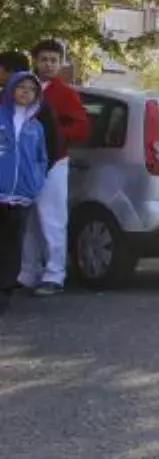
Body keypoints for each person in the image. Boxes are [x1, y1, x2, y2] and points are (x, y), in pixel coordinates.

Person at [20, 40, 89, 296]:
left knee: (52, 218)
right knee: (28, 221)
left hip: (54, 162)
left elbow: (81, 127)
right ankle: (28, 273)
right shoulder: (25, 88)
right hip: (26, 164)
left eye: (53, 60)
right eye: (44, 59)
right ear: (35, 61)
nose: (48, 64)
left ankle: (54, 274)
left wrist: (52, 135)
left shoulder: (65, 94)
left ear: (61, 64)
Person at [0, 72, 50, 314]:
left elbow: (41, 158)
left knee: (12, 244)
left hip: (22, 196)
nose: (25, 91)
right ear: (10, 89)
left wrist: (36, 183)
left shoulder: (36, 127)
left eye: (31, 89)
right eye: (21, 87)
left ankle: (5, 291)